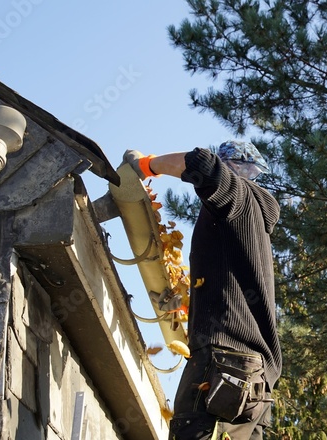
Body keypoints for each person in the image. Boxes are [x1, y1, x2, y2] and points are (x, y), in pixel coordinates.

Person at [123, 141, 281, 440]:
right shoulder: (248, 223)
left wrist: (145, 166)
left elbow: (201, 163)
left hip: (225, 363)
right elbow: (229, 283)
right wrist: (189, 305)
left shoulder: (238, 197)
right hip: (257, 379)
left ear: (234, 167)